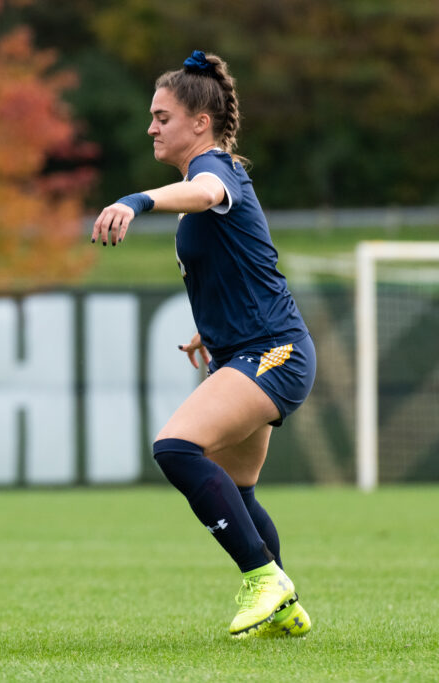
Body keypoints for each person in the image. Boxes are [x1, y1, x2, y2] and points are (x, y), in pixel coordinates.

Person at [91, 51, 315, 638]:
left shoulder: (215, 171)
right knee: (237, 489)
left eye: (162, 116)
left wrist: (136, 201)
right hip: (244, 345)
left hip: (274, 351)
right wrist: (210, 327)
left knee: (175, 448)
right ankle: (284, 608)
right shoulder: (208, 179)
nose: (151, 127)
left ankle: (264, 579)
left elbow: (205, 191)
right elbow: (237, 264)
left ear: (200, 123)